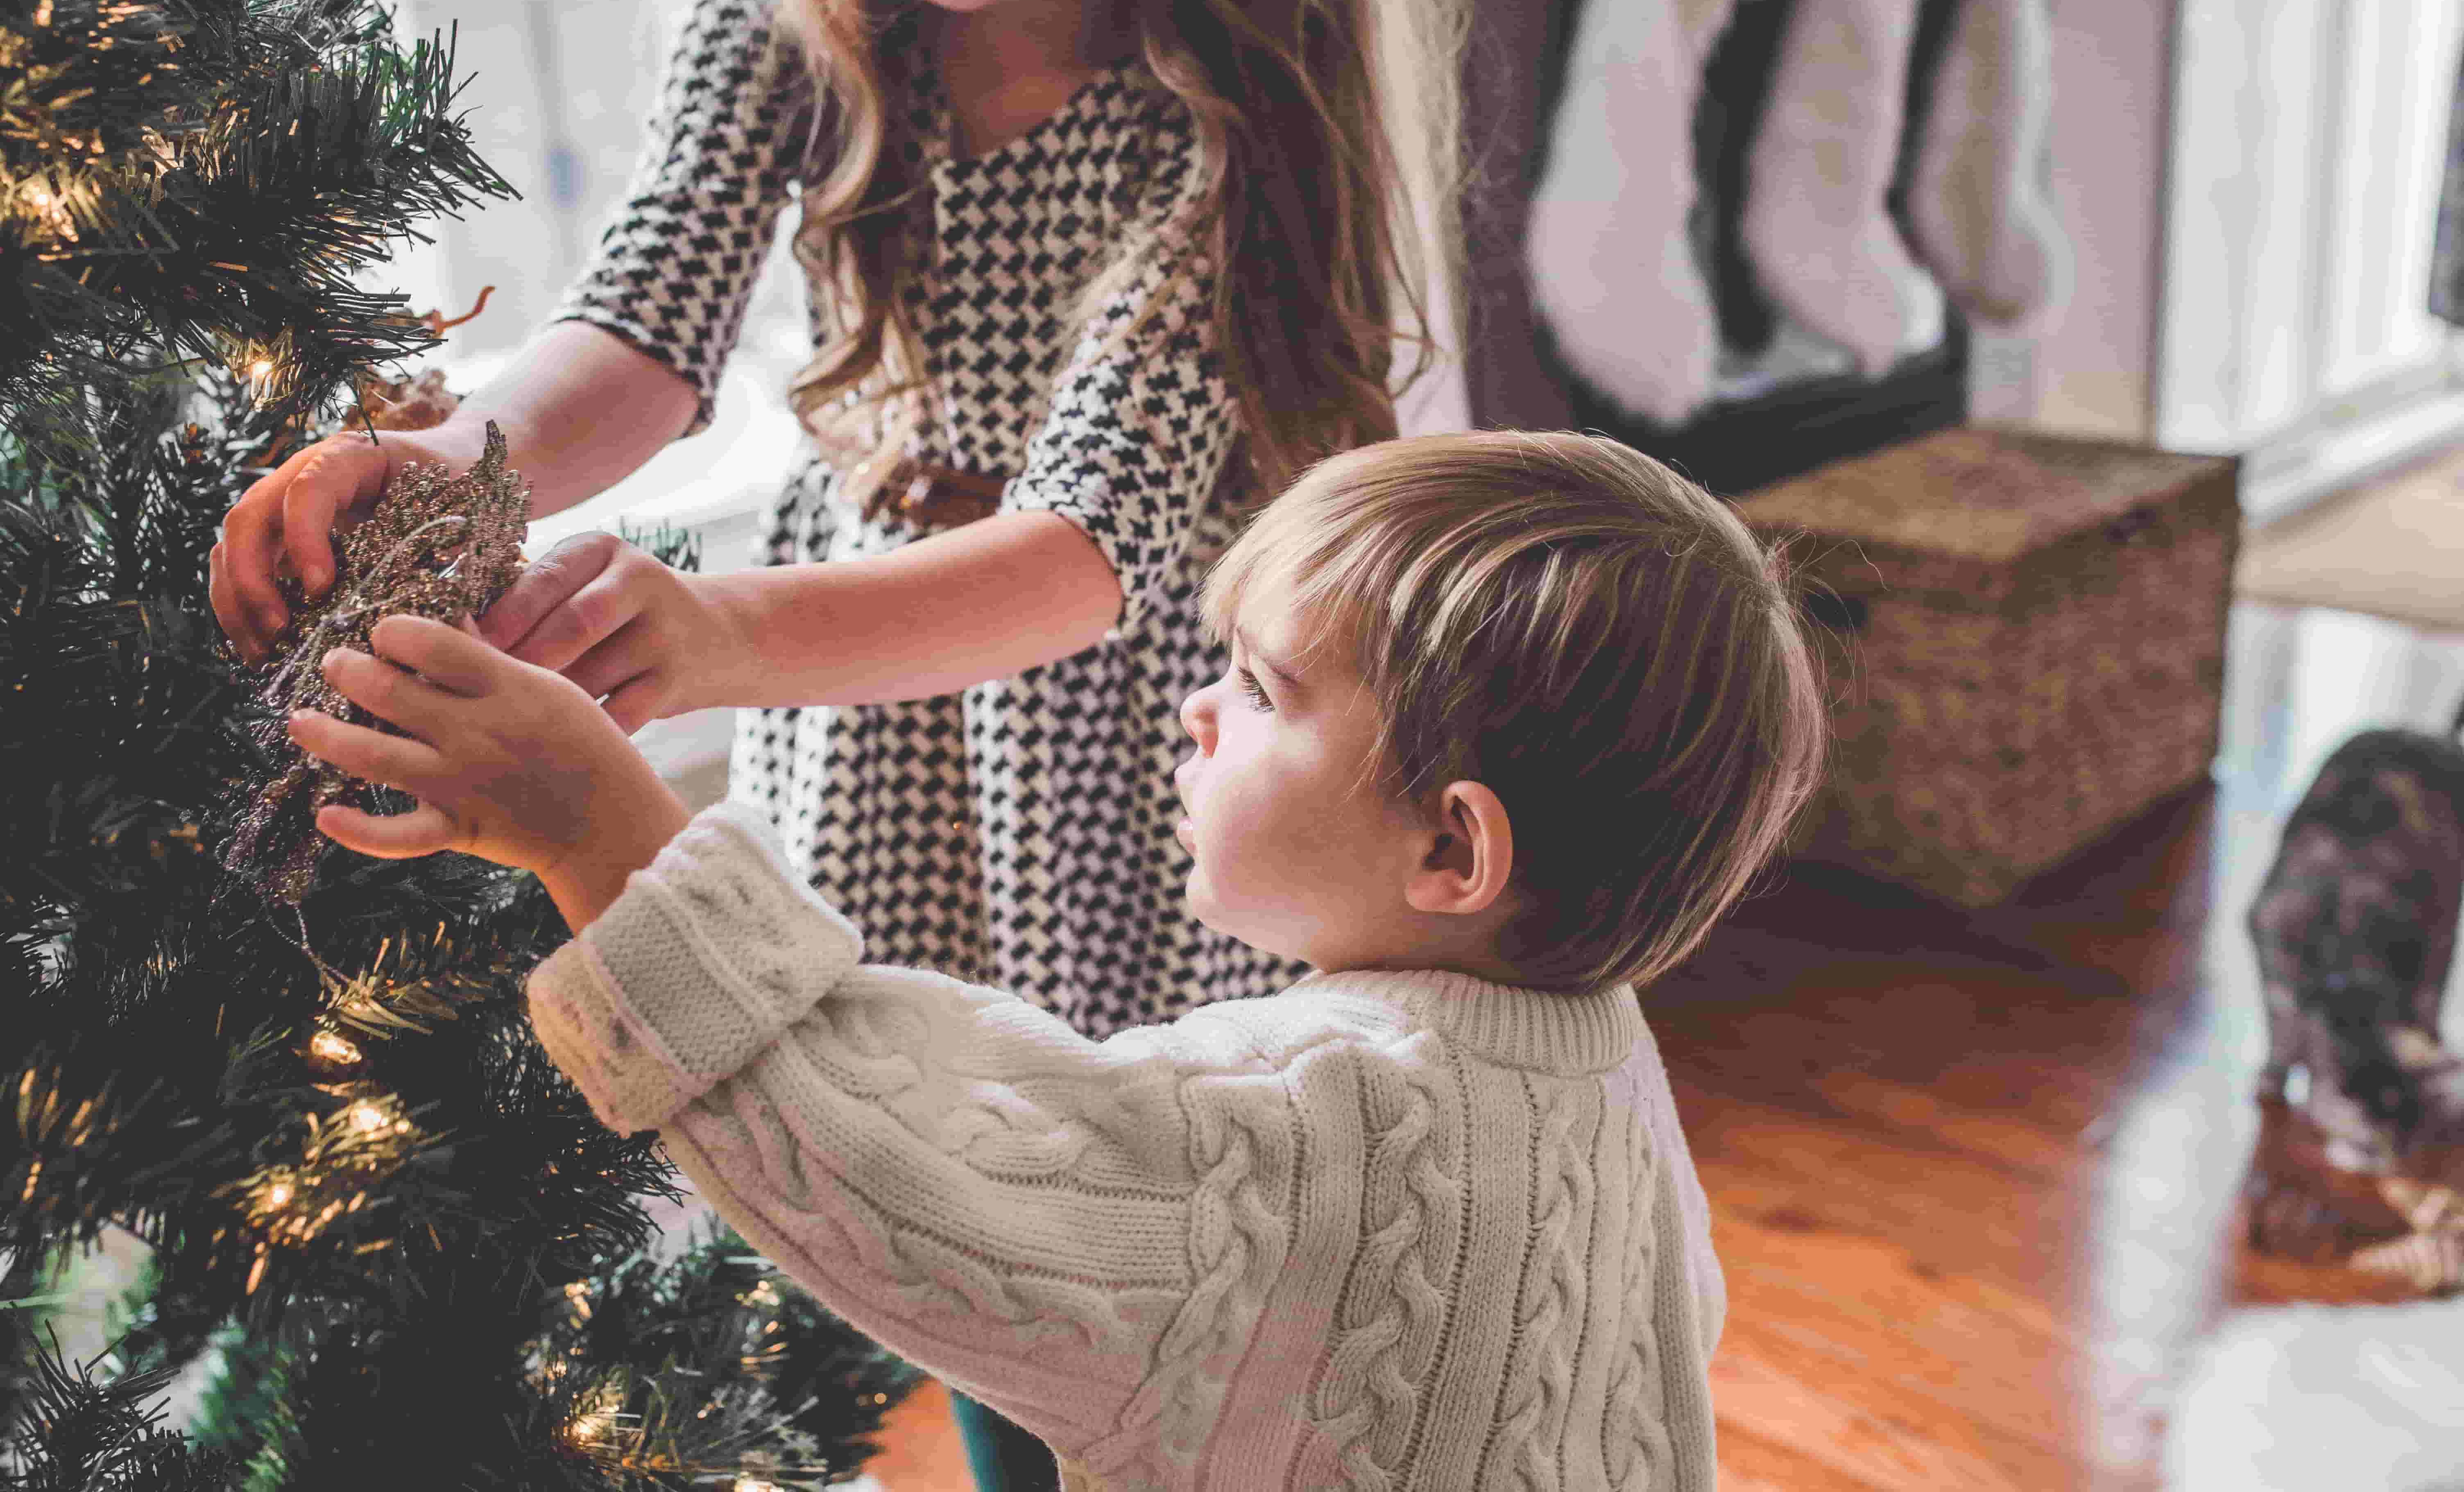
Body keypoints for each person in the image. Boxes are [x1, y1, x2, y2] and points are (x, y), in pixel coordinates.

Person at [212, 0, 1465, 1477]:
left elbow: (1082, 550)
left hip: (1117, 750)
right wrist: (468, 455)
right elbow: (649, 329)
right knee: (913, 1191)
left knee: (1109, 1233)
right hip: (871, 735)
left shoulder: (1222, 106)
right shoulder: (797, 8)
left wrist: (725, 631)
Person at [283, 428, 1832, 1489]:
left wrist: (597, 834)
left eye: (1265, 690)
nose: (1196, 710)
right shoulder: (1597, 1054)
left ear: (1452, 853)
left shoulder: (1313, 1120)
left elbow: (884, 1159)